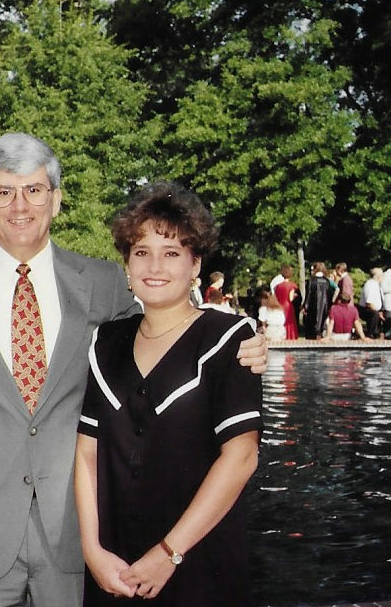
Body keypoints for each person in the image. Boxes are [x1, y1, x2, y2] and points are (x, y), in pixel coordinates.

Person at [0, 132, 267, 607]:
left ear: (56, 200)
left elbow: (171, 325)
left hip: (79, 534)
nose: (20, 205)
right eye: (4, 192)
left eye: (34, 190)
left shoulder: (105, 285)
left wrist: (252, 342)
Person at [74, 181, 261, 605]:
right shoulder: (106, 342)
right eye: (142, 252)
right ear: (127, 263)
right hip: (116, 569)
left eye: (172, 253)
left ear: (196, 264)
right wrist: (93, 551)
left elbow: (241, 457)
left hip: (199, 565)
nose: (154, 265)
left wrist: (169, 552)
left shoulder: (227, 338)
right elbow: (86, 453)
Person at [302, 262, 332, 340]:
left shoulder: (311, 281)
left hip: (313, 307)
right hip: (324, 307)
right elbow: (329, 296)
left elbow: (308, 295)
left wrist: (305, 307)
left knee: (312, 328)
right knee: (322, 325)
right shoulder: (327, 281)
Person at [273, 265, 300, 340]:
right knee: (289, 322)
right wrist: (295, 296)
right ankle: (289, 336)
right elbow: (290, 298)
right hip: (288, 306)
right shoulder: (292, 285)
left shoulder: (278, 286)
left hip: (280, 305)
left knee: (281, 322)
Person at [358, 267, 385, 339]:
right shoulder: (370, 284)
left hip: (376, 309)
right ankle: (370, 334)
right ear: (377, 276)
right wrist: (378, 312)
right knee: (374, 314)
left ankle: (379, 333)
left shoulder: (378, 285)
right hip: (367, 309)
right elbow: (369, 303)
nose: (383, 277)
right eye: (382, 275)